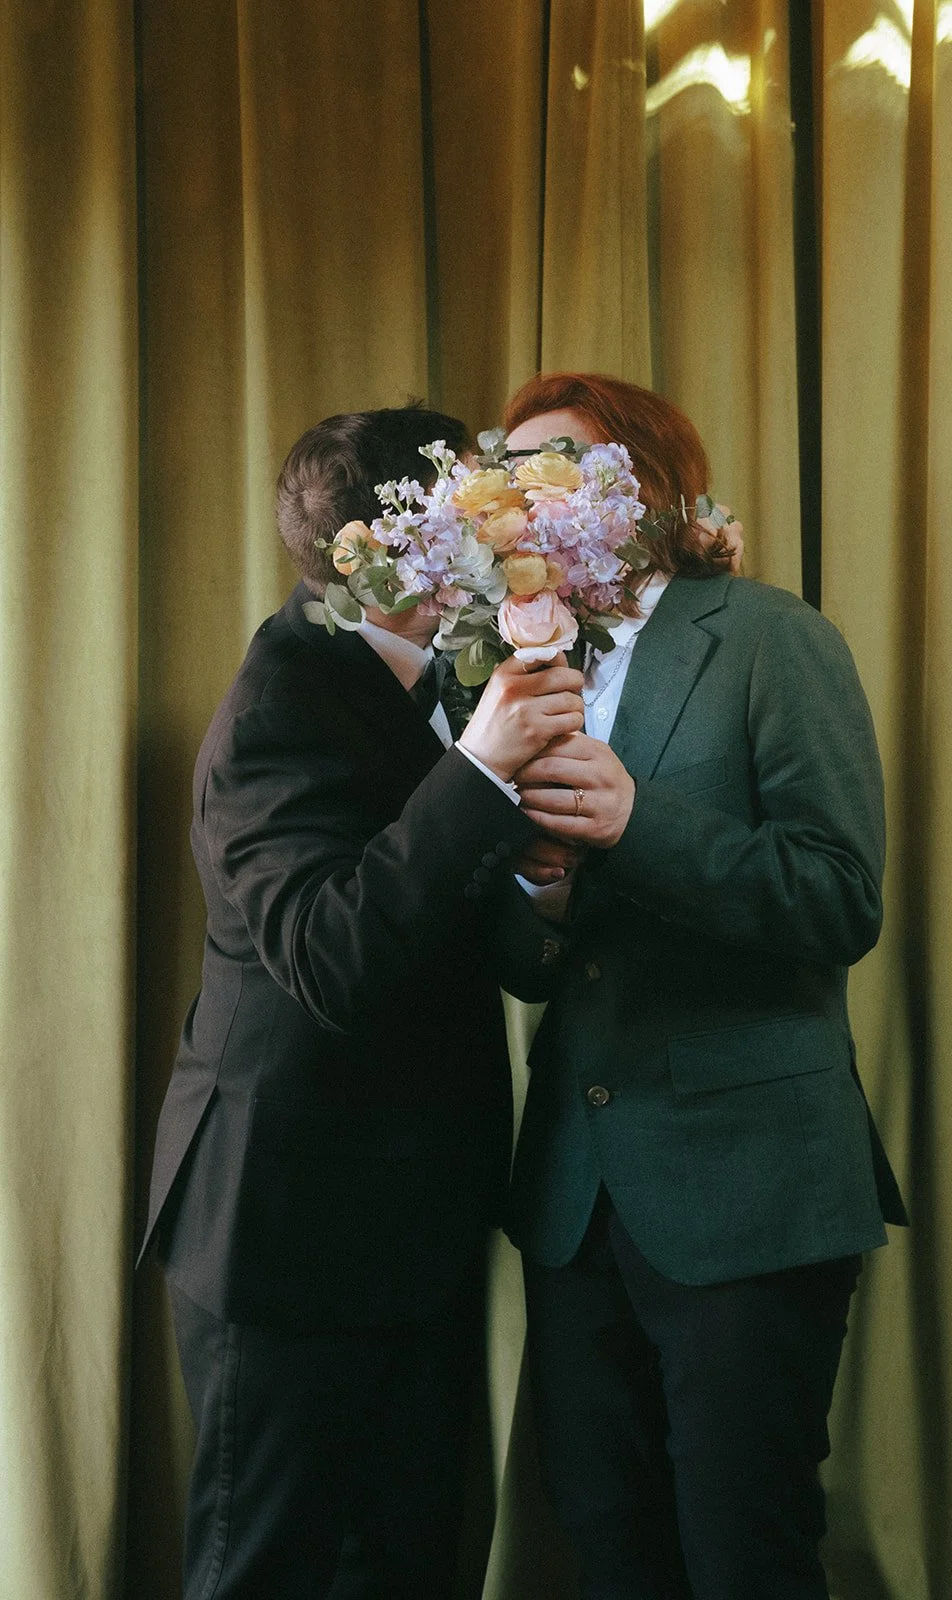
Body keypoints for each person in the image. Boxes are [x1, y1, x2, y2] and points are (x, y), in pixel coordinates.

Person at [137, 405, 584, 1600]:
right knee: (264, 1572)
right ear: (392, 551)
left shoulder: (442, 673)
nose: (507, 528)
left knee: (413, 1564)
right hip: (283, 1234)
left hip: (417, 1226)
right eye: (476, 511)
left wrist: (539, 895)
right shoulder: (279, 700)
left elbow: (440, 910)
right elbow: (332, 955)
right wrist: (482, 770)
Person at [503, 373, 907, 1599]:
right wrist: (542, 897)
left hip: (751, 1187)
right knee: (604, 1538)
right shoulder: (519, 673)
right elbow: (524, 966)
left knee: (744, 1550)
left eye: (551, 467)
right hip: (575, 1198)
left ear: (646, 484)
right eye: (504, 475)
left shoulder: (771, 637)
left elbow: (838, 897)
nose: (521, 501)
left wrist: (637, 824)